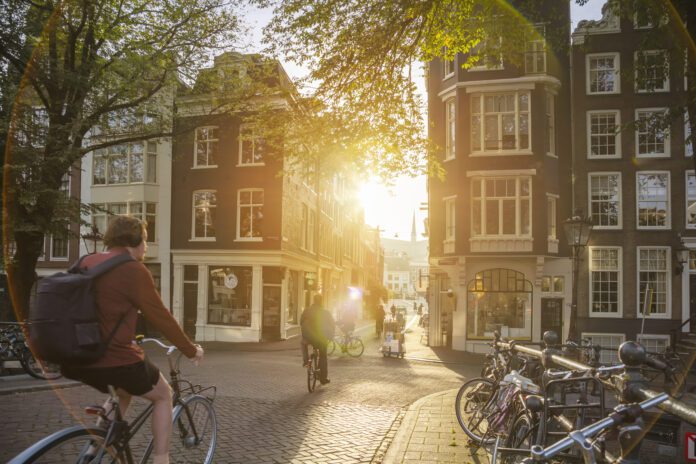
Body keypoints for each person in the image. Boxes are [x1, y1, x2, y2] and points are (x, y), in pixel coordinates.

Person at [61, 216, 203, 464]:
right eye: (146, 240)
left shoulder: (85, 261)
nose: (147, 246)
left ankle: (94, 448)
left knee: (122, 392)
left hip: (77, 358)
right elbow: (162, 318)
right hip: (116, 358)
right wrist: (190, 350)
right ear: (134, 240)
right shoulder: (134, 270)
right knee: (163, 395)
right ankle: (162, 459)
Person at [301, 294, 335, 384]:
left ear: (313, 300)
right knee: (323, 356)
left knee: (302, 343)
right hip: (321, 339)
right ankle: (323, 378)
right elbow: (332, 324)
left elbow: (301, 322)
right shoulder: (325, 312)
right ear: (321, 301)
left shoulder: (306, 310)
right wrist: (331, 336)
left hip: (308, 338)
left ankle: (305, 361)